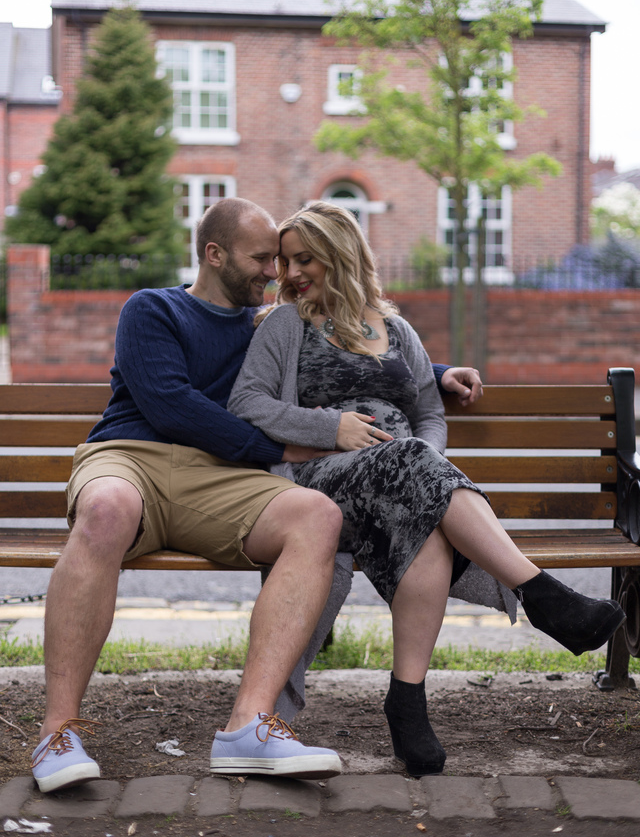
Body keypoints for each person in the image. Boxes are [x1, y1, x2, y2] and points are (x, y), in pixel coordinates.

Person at [29, 197, 480, 794]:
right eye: (262, 258)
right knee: (107, 509)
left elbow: (349, 343)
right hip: (130, 459)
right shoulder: (153, 308)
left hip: (219, 478)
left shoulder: (269, 324)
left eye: (279, 259)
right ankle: (58, 732)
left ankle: (249, 725)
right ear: (214, 255)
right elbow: (169, 403)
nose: (276, 272)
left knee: (316, 516)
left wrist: (439, 374)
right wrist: (285, 449)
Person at [227, 201, 626, 778]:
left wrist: (425, 464)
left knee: (428, 523)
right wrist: (329, 427)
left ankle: (407, 700)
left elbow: (428, 411)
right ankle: (542, 595)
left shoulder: (396, 328)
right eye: (285, 262)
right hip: (319, 480)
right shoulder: (285, 325)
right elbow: (248, 402)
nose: (289, 275)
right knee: (415, 473)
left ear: (342, 254)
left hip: (400, 477)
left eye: (303, 259)